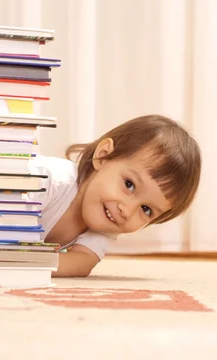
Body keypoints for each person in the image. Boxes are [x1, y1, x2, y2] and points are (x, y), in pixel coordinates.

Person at [27, 114, 202, 278]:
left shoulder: (106, 222)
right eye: (129, 185)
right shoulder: (49, 180)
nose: (127, 210)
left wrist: (24, 265)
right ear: (103, 156)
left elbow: (82, 262)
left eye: (146, 209)